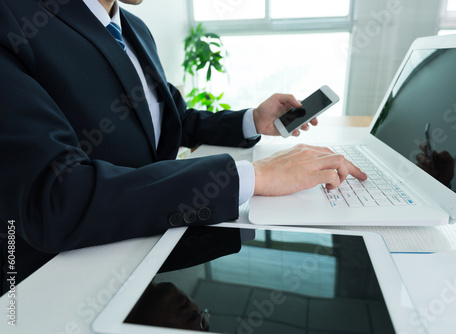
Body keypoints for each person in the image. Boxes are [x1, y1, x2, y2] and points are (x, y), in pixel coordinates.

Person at [0, 0, 366, 293]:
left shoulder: (135, 29)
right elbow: (53, 197)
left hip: (148, 243)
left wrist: (253, 120)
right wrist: (252, 176)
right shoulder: (14, 17)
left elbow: (174, 121)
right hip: (52, 279)